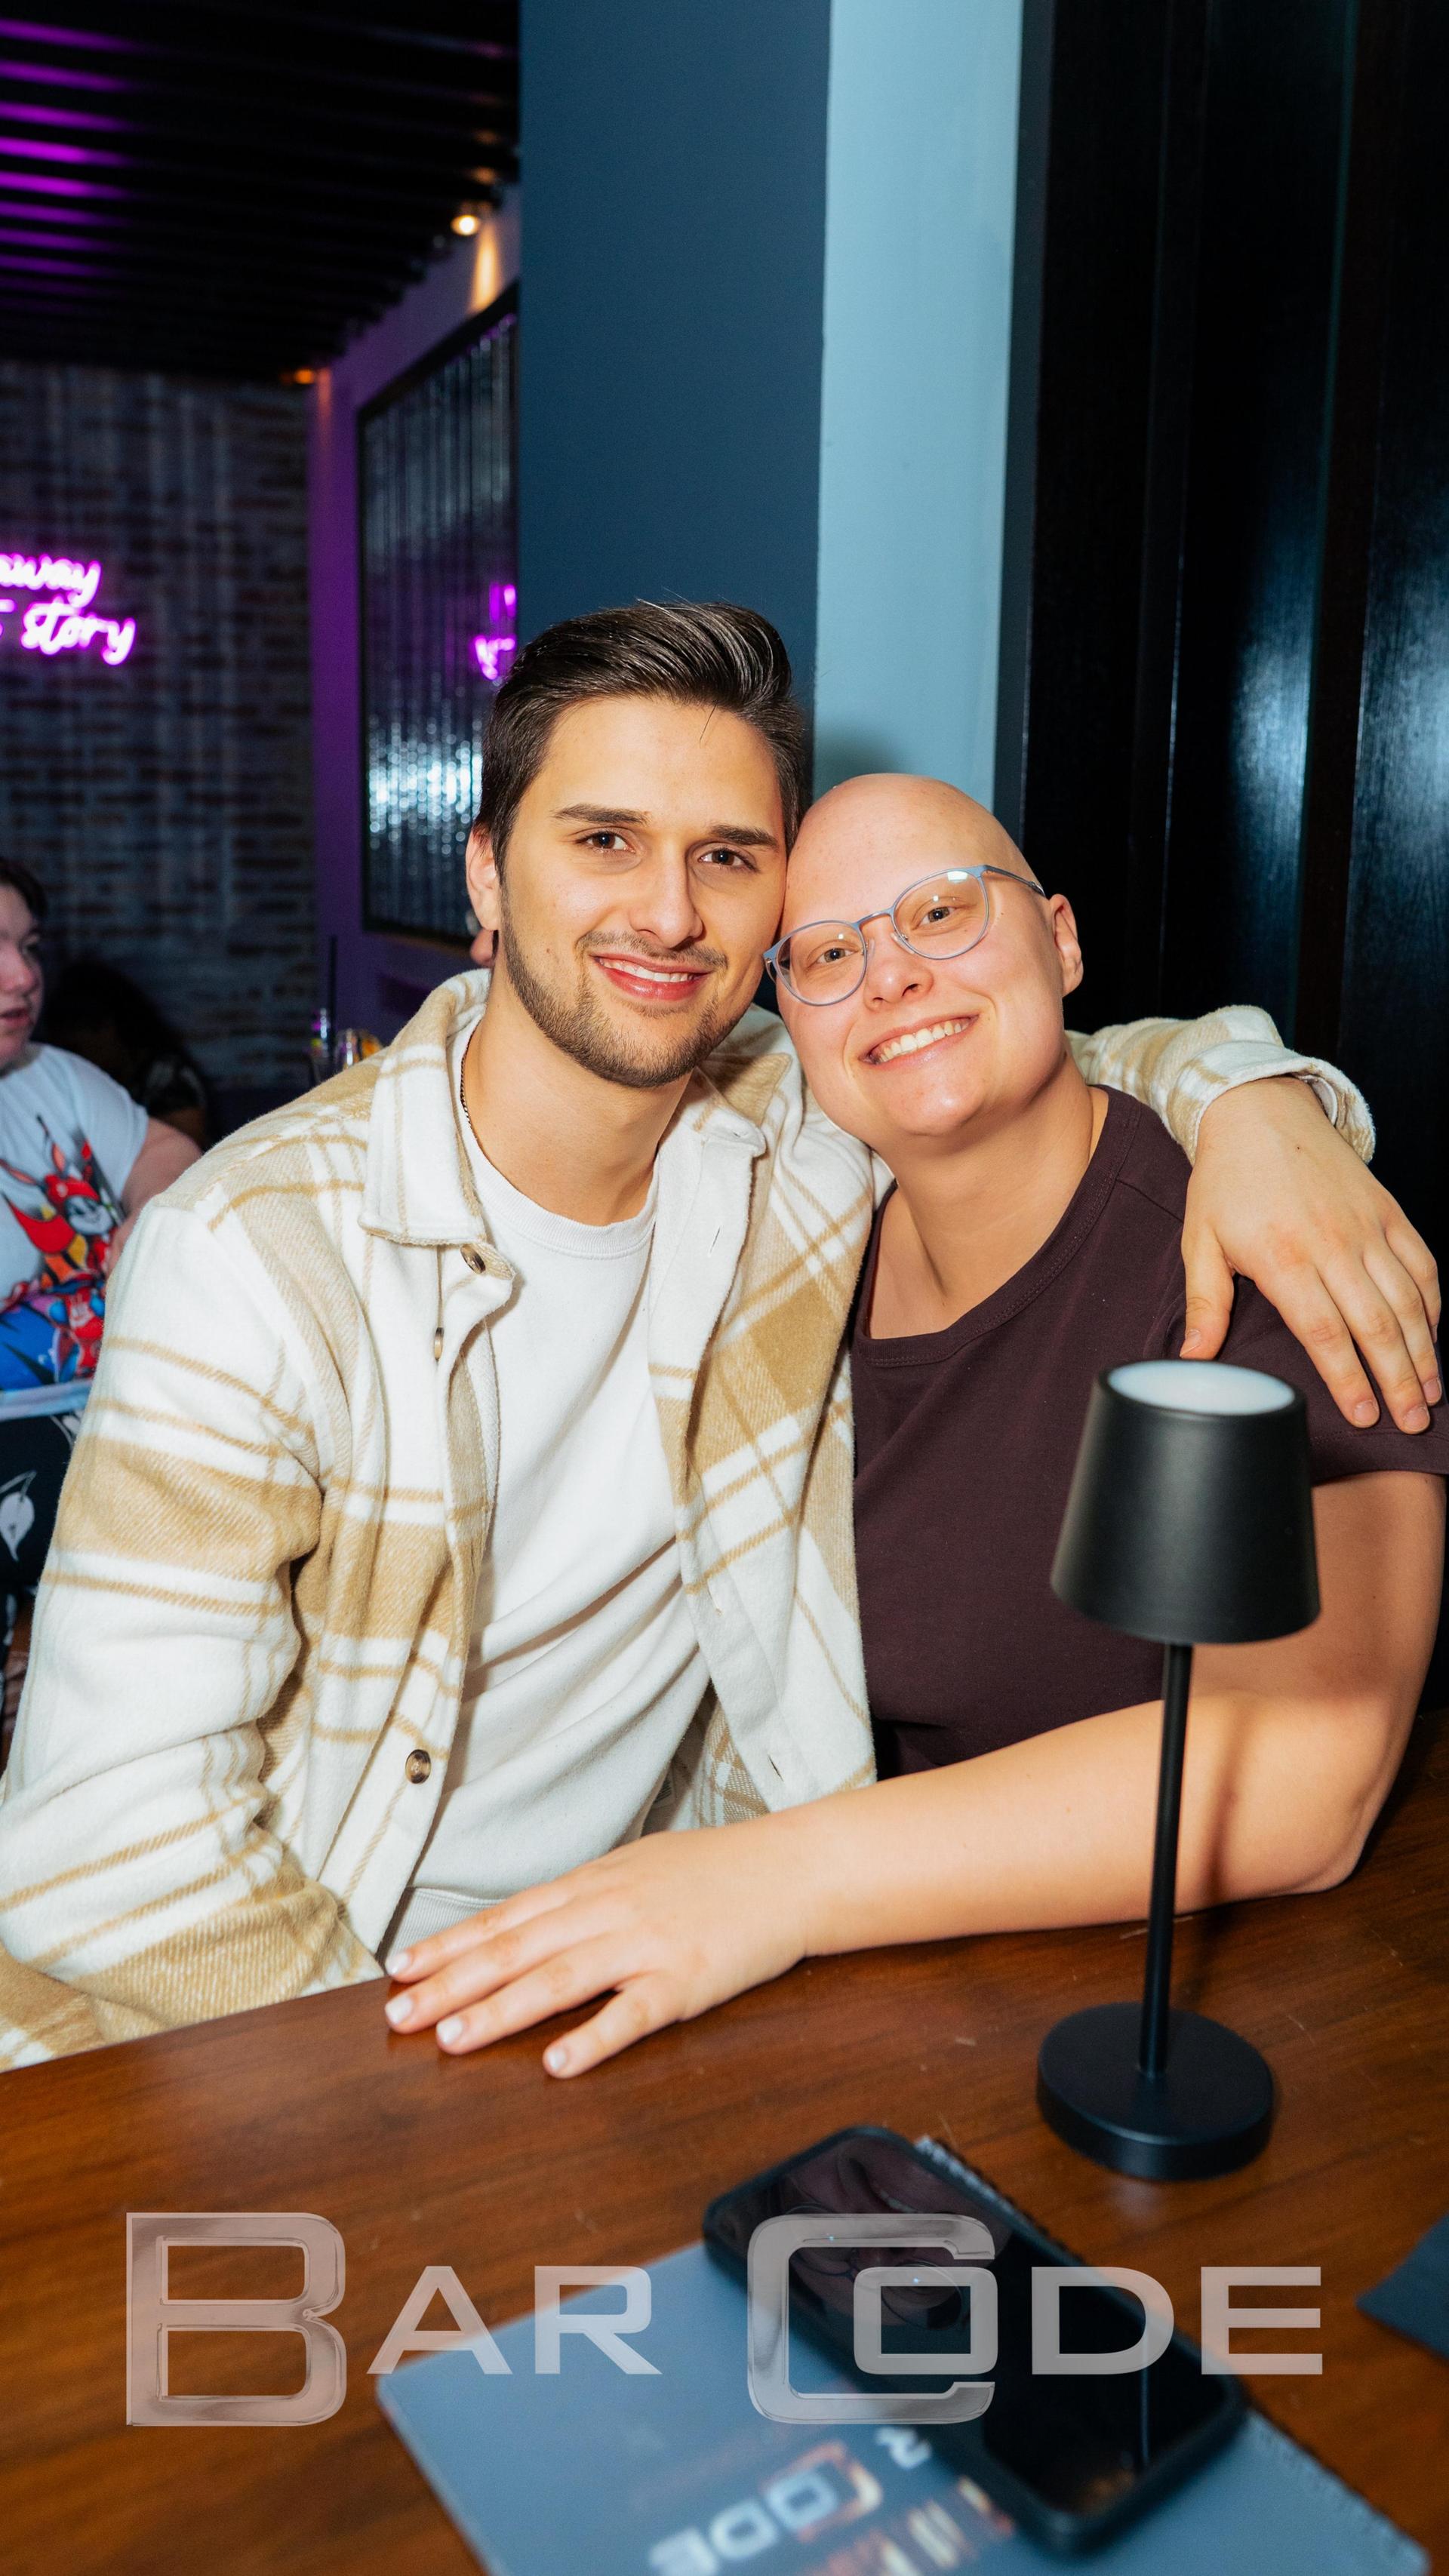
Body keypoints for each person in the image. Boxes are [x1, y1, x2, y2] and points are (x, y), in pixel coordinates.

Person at [0, 608, 1435, 2067]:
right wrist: (414, 2100)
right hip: (300, 2018)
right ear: (487, 868)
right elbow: (109, 1843)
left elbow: (1010, 1063)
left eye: (730, 858)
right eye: (604, 840)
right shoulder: (256, 1253)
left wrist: (1259, 1099)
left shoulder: (788, 1133)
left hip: (679, 1980)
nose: (672, 912)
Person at [380, 774, 1447, 2077]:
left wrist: (764, 1881)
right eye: (827, 952)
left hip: (1190, 2028)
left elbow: (1308, 1768)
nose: (888, 975)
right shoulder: (789, 1240)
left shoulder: (1257, 1246)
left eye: (942, 911)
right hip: (875, 2007)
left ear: (1060, 937)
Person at [0, 862, 198, 1745]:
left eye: (28, 946)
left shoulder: (55, 1078)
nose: (23, 976)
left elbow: (166, 1150)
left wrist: (144, 1225)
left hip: (110, 1423)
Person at [45, 957, 209, 1148]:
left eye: (76, 1049)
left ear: (108, 1029)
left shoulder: (167, 1078)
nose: (75, 1061)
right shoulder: (86, 1083)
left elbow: (187, 1150)